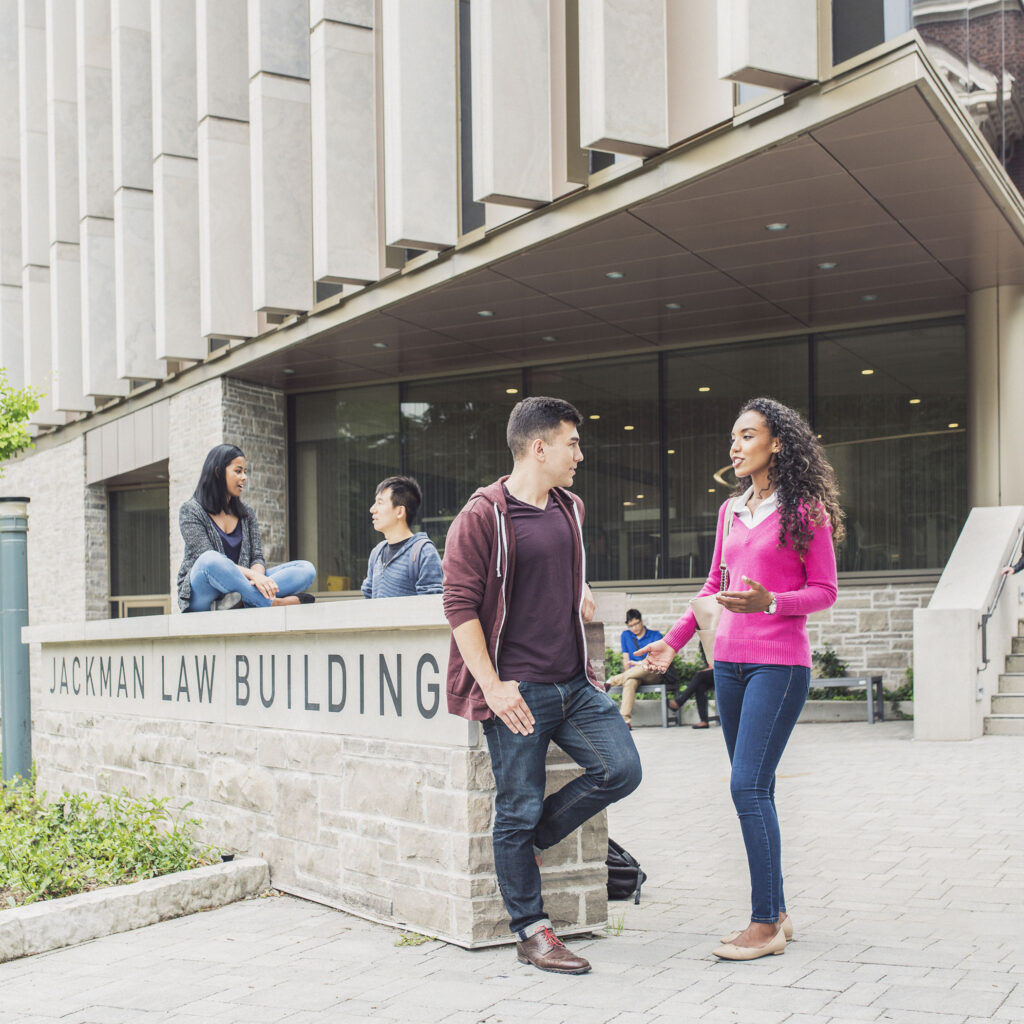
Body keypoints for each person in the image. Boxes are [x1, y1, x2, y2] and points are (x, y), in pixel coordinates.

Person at [442, 396, 642, 976]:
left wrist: (579, 589)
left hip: (574, 684)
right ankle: (532, 931)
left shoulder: (570, 507)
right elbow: (458, 606)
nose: (580, 453)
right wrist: (495, 688)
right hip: (518, 690)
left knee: (620, 769)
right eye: (572, 443)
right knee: (516, 806)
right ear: (539, 447)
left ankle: (531, 836)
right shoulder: (482, 516)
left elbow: (558, 569)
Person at [640, 397, 843, 961]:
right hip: (726, 663)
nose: (735, 446)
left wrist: (770, 600)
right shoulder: (731, 511)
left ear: (777, 443)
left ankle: (763, 925)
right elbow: (712, 587)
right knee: (758, 786)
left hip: (779, 666)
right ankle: (776, 911)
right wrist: (672, 641)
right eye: (733, 437)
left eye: (747, 435)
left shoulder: (807, 511)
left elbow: (825, 591)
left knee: (746, 786)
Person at [177, 444, 316, 612]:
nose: (244, 477)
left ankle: (240, 601)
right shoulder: (190, 510)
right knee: (210, 559)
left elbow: (257, 557)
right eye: (238, 471)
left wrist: (257, 575)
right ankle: (272, 603)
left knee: (306, 570)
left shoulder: (247, 513)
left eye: (245, 471)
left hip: (243, 584)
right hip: (204, 590)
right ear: (218, 472)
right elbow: (204, 555)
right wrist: (254, 576)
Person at [361, 476, 443, 598]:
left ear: (399, 511)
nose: (372, 509)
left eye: (380, 502)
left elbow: (431, 606)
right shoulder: (376, 553)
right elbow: (368, 599)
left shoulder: (424, 552)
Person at [605, 609, 673, 728]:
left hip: (653, 673)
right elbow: (626, 662)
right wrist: (633, 668)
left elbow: (656, 662)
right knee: (630, 681)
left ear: (641, 621)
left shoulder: (655, 635)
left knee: (645, 667)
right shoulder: (626, 636)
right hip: (634, 674)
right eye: (630, 626)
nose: (634, 628)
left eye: (636, 624)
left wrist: (640, 664)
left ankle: (611, 681)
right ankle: (625, 721)